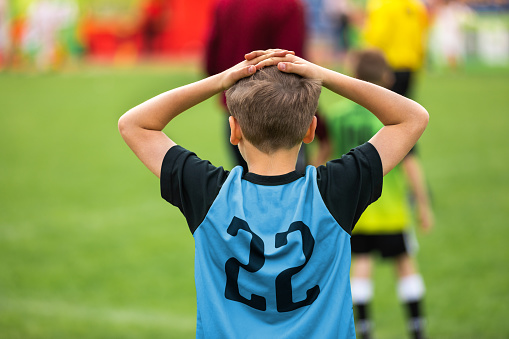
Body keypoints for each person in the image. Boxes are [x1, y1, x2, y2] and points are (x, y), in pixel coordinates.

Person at [118, 49, 429, 338]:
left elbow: (134, 124)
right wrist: (323, 74)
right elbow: (412, 118)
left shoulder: (209, 194)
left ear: (233, 130)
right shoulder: (335, 191)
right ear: (310, 130)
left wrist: (222, 79)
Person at [326, 50, 433, 339]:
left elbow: (321, 157)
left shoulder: (336, 116)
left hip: (355, 210)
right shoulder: (392, 119)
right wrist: (424, 204)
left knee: (360, 265)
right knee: (404, 263)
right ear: (387, 77)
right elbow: (410, 165)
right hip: (391, 208)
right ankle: (417, 327)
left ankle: (363, 328)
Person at [204, 0, 329, 172]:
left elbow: (211, 63)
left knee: (248, 191)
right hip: (284, 117)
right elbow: (294, 66)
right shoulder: (287, 6)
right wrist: (321, 129)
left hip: (238, 116)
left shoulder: (225, 4)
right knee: (292, 193)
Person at [362, 0, 429, 98]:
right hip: (410, 64)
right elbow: (420, 36)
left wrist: (370, 60)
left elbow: (379, 37)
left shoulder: (382, 5)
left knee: (383, 105)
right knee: (404, 106)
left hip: (388, 64)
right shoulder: (415, 6)